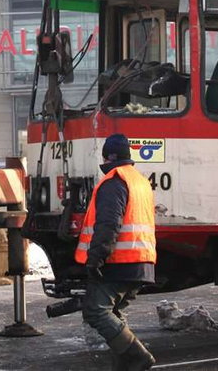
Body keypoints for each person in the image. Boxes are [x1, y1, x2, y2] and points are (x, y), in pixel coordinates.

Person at [75, 133, 157, 371]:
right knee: (114, 312)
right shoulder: (139, 181)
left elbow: (109, 224)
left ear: (107, 158)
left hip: (120, 260)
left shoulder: (114, 182)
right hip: (141, 260)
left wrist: (96, 259)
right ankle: (124, 365)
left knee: (95, 311)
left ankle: (138, 356)